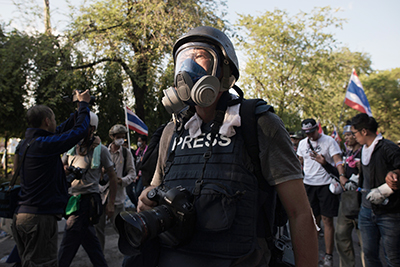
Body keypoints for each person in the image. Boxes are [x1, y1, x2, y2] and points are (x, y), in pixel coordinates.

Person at [136, 26, 318, 267]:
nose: (188, 67)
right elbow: (153, 189)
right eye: (183, 59)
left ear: (226, 72)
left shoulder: (260, 124)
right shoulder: (172, 131)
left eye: (200, 56)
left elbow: (300, 213)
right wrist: (146, 199)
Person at [11, 90, 91, 266]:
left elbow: (62, 130)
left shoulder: (28, 143)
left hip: (22, 215)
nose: (56, 122)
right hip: (38, 219)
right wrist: (85, 105)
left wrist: (78, 108)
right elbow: (78, 132)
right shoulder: (43, 145)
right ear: (47, 121)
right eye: (54, 119)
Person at [58, 112, 118, 267]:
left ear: (92, 129)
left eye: (83, 127)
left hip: (88, 201)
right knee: (92, 245)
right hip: (73, 199)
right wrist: (67, 169)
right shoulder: (71, 148)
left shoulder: (101, 150)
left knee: (67, 246)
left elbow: (112, 177)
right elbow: (61, 167)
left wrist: (111, 204)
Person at [350, 113, 400, 267]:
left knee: (393, 258)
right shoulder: (362, 150)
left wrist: (394, 176)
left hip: (389, 213)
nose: (353, 136)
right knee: (370, 255)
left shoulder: (388, 147)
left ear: (364, 131)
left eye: (354, 133)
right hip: (366, 211)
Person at [313, 123, 365, 267]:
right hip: (346, 202)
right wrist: (325, 164)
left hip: (362, 203)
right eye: (346, 135)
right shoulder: (347, 154)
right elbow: (339, 175)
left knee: (365, 243)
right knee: (342, 238)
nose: (346, 138)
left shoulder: (365, 152)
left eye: (350, 135)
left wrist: (362, 171)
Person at [297, 118, 345, 267]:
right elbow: (300, 162)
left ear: (317, 128)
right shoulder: (302, 143)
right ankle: (313, 253)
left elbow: (337, 159)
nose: (310, 135)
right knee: (313, 222)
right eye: (306, 133)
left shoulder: (329, 141)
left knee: (327, 220)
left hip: (325, 185)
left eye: (312, 131)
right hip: (309, 185)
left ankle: (329, 256)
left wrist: (342, 175)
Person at [95, 124, 136, 251]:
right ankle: (99, 258)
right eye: (118, 137)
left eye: (123, 137)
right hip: (101, 195)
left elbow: (132, 173)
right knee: (98, 230)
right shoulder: (102, 151)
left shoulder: (126, 153)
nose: (121, 140)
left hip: (118, 197)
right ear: (112, 137)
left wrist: (122, 180)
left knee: (121, 228)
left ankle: (130, 252)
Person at [126, 135, 148, 206]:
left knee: (138, 191)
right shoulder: (136, 152)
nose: (139, 143)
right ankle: (137, 205)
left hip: (143, 174)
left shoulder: (147, 151)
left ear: (144, 142)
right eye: (138, 141)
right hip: (135, 174)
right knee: (133, 192)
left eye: (140, 141)